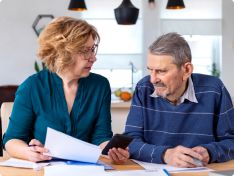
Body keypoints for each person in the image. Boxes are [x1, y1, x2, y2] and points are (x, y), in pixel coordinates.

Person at [3, 16, 129, 163]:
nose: (93, 58)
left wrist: (113, 150)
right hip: (43, 169)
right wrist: (29, 152)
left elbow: (101, 137)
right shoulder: (32, 87)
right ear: (63, 52)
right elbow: (12, 139)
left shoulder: (100, 86)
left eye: (93, 49)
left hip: (85, 170)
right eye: (86, 51)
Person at [124, 32, 234, 168]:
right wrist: (166, 155)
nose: (153, 79)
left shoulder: (214, 90)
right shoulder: (143, 88)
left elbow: (231, 141)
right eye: (150, 70)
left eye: (161, 71)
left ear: (186, 70)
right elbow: (130, 142)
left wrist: (210, 152)